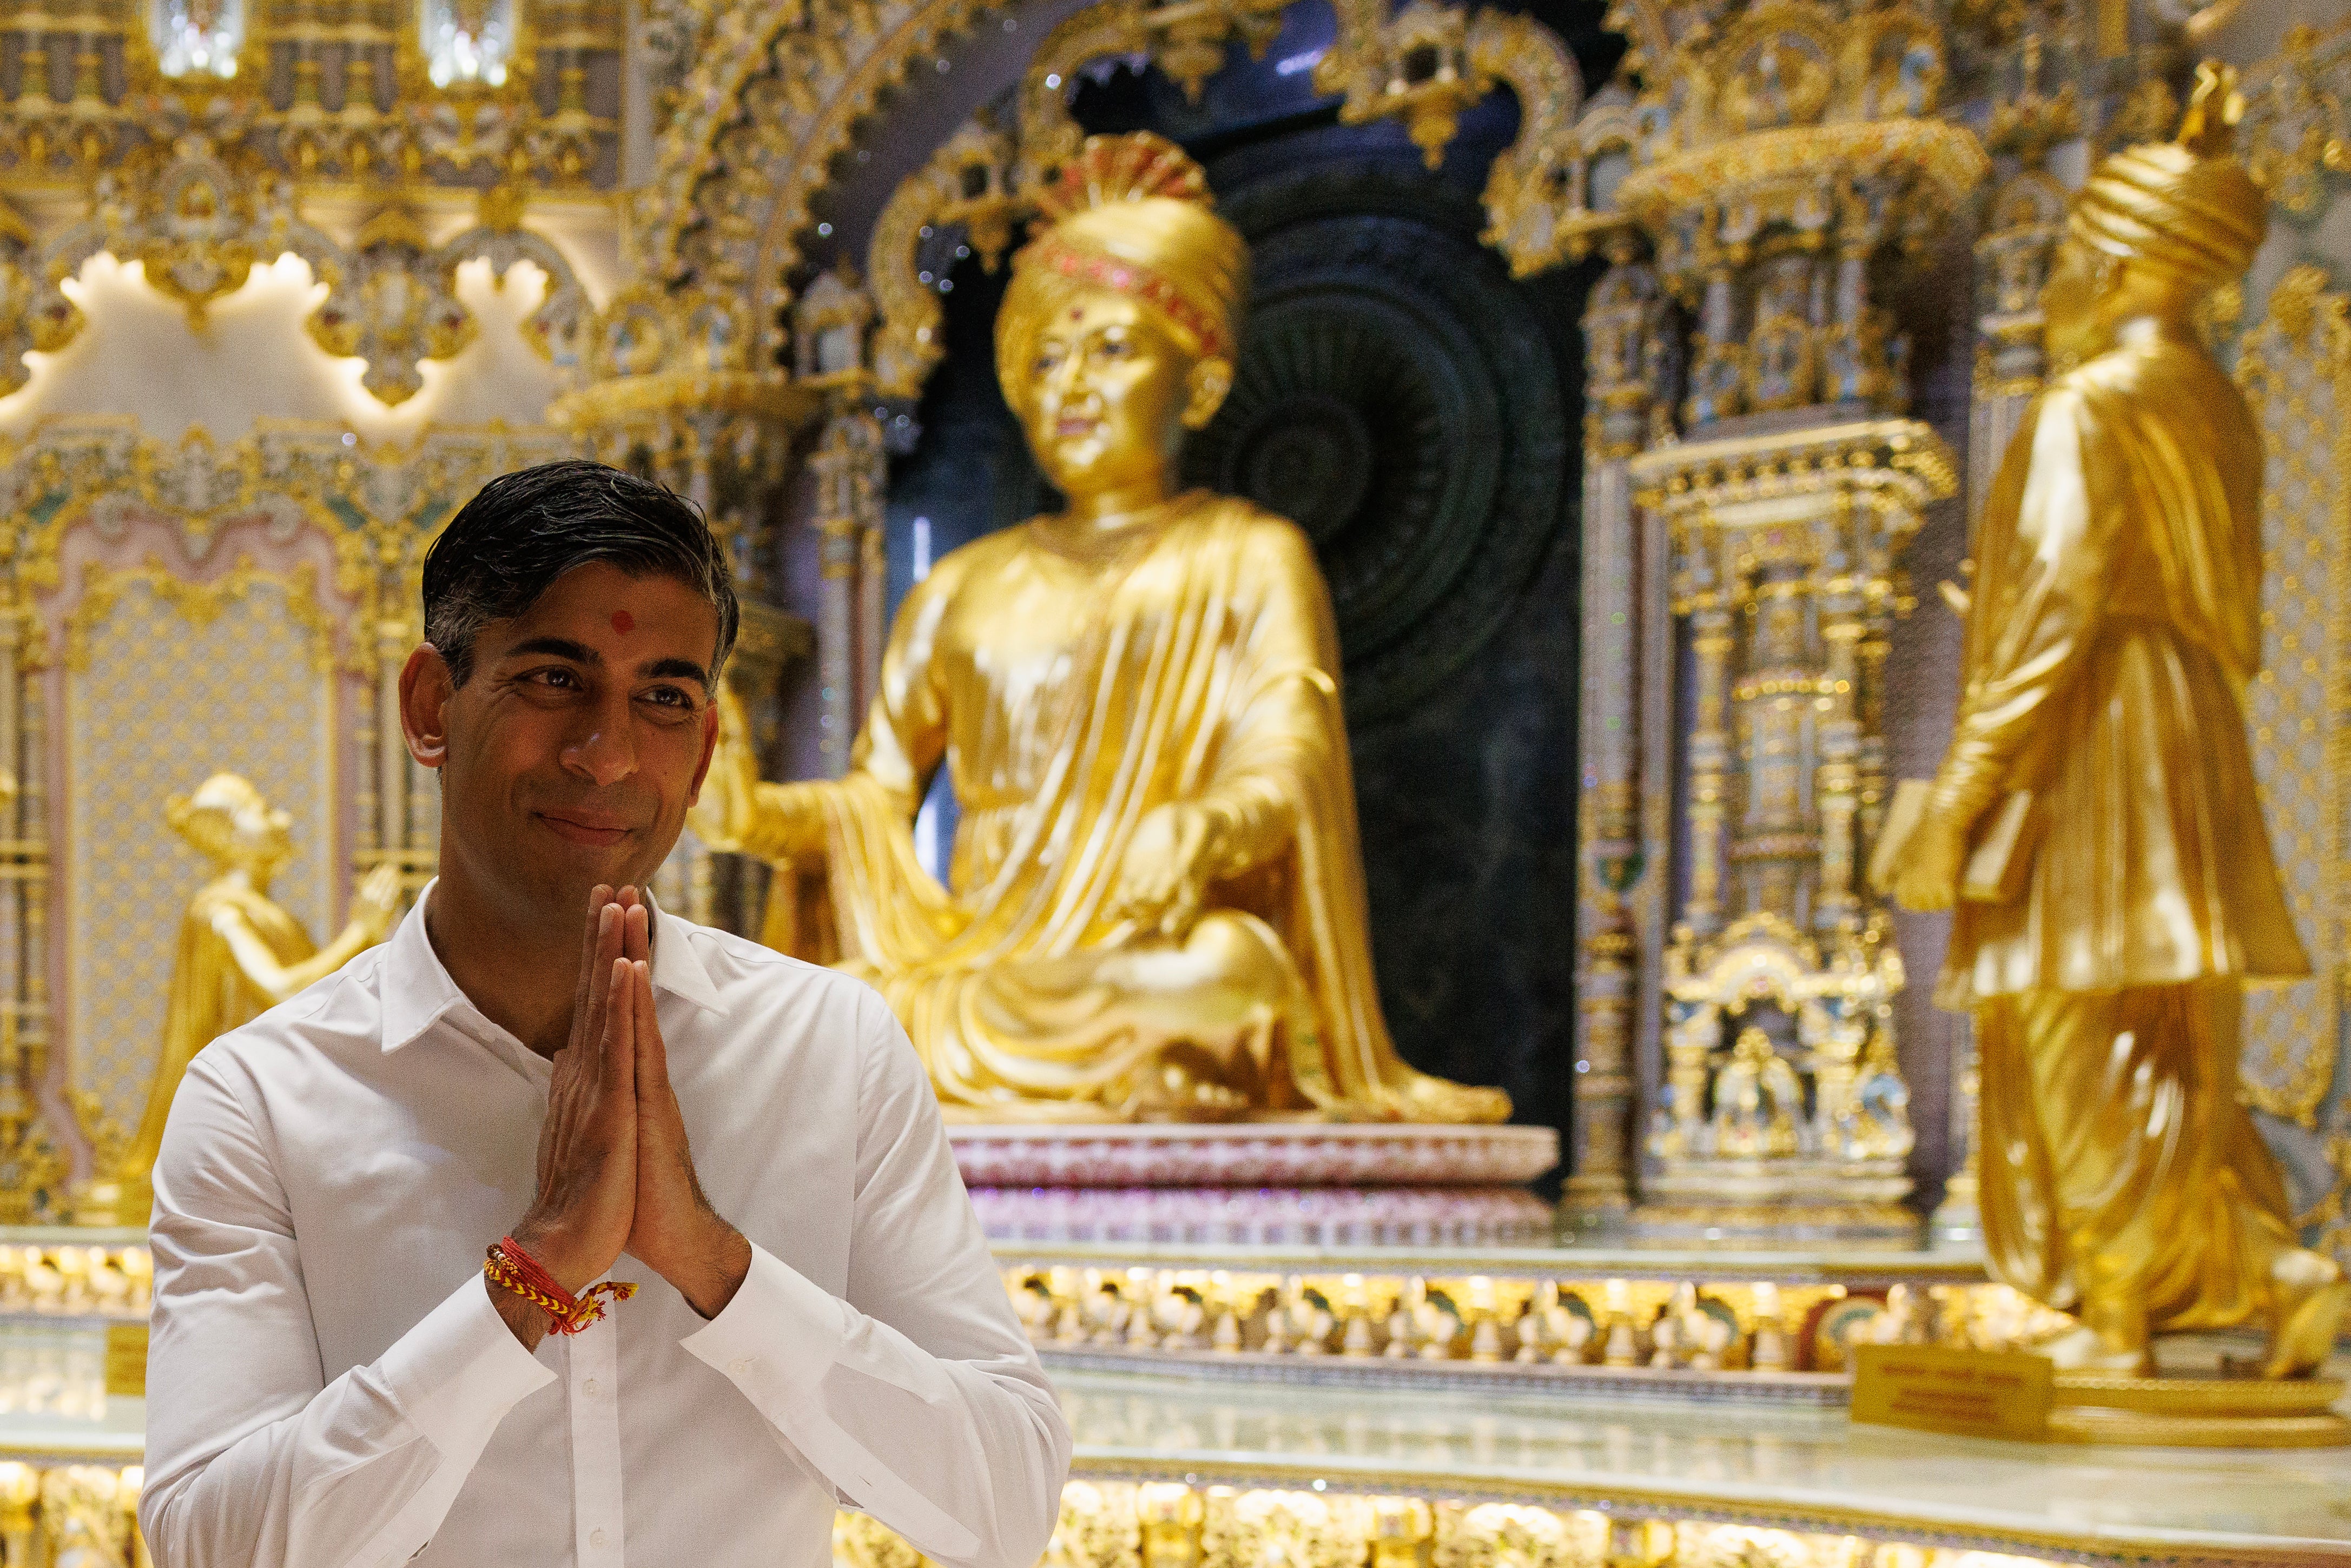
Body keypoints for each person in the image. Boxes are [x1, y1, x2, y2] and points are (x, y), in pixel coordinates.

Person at [139, 459, 1072, 1565]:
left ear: (708, 750)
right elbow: (212, 1548)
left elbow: (1009, 1503)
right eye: (552, 679)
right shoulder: (263, 1097)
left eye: (663, 698)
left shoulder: (832, 1047)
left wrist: (717, 1263)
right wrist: (526, 1283)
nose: (609, 753)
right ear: (433, 706)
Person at [690, 132, 1507, 1125]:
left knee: (1230, 975)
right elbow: (875, 800)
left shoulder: (1247, 555)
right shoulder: (959, 585)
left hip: (1144, 957)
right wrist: (750, 813)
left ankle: (1112, 1072)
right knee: (830, 1006)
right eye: (1047, 355)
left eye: (1110, 347)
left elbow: (1286, 749)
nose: (1071, 382)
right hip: (972, 962)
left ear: (1199, 382)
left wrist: (1207, 825)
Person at [1889, 68, 2348, 1378]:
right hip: (2186, 741)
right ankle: (2261, 1264)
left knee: (2070, 1038)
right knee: (2163, 1051)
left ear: (2107, 254)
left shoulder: (2080, 409)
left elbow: (2045, 621)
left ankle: (2115, 1321)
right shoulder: (2213, 408)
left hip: (2091, 750)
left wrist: (1961, 795)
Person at [92, 776, 403, 1227]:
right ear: (228, 834)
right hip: (239, 1098)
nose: (282, 818)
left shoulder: (274, 917)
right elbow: (282, 991)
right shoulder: (219, 911)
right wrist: (361, 931)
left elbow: (323, 1003)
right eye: (260, 810)